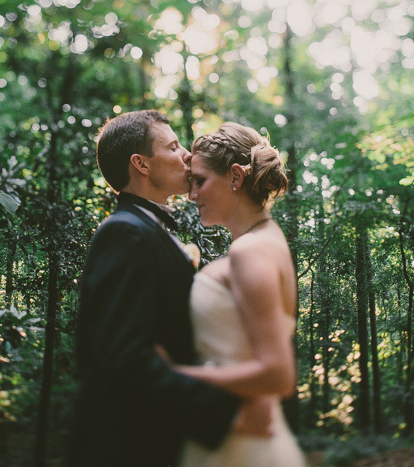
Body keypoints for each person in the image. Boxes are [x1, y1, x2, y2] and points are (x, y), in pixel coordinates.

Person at [68, 111, 273, 467]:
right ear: (141, 164)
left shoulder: (145, 230)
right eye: (174, 146)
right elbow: (126, 359)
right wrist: (225, 414)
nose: (187, 156)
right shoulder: (124, 233)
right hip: (125, 449)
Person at [177, 122, 307, 466]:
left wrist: (179, 376)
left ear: (236, 177)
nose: (192, 195)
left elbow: (278, 374)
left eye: (200, 180)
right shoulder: (264, 239)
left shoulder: (250, 252)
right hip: (237, 431)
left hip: (242, 447)